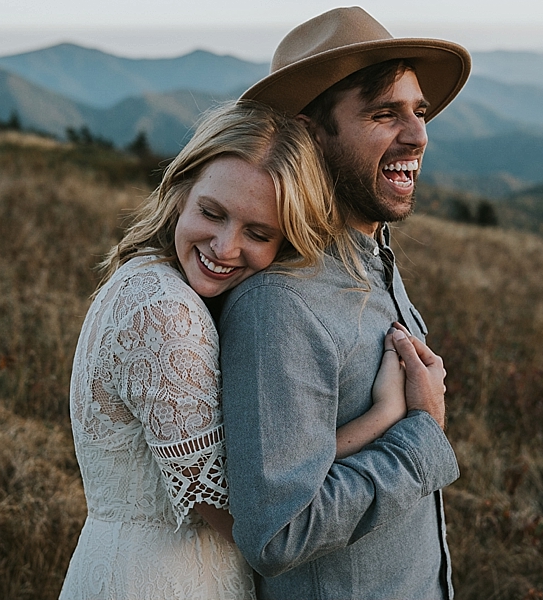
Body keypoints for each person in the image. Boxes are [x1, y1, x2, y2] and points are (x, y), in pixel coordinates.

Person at [58, 101, 422, 599]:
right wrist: (385, 417)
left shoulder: (145, 277)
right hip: (165, 581)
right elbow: (256, 516)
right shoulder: (167, 314)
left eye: (258, 233)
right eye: (212, 213)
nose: (226, 247)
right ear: (181, 191)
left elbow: (257, 481)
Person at [218, 7, 471, 600]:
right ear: (309, 133)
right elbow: (277, 532)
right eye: (385, 113)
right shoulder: (278, 304)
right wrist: (421, 437)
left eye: (419, 111)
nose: (417, 134)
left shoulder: (371, 252)